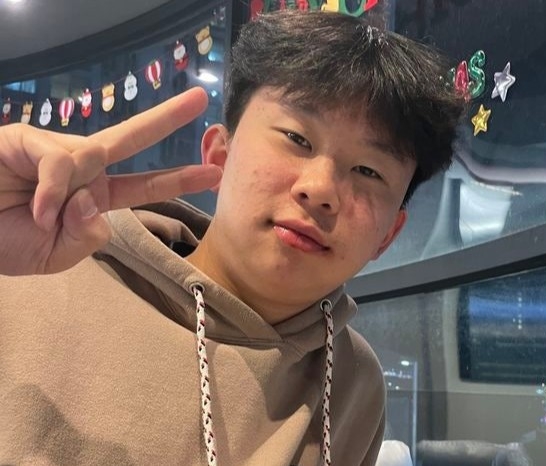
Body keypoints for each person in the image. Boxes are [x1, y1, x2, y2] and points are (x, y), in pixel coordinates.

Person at [0, 10, 463, 466]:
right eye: (297, 138)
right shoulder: (34, 280)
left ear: (388, 235)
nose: (320, 189)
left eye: (368, 170)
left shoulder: (354, 382)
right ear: (219, 155)